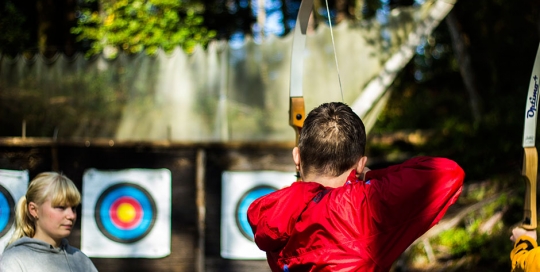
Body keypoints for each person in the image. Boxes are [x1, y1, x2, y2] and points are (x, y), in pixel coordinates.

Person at [247, 102, 465, 271]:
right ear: (360, 164)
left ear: (297, 157)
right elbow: (447, 173)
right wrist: (372, 176)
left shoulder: (272, 212)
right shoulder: (362, 206)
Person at [0, 172, 98, 272]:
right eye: (61, 207)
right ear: (34, 210)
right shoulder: (14, 260)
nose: (71, 216)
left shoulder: (81, 260)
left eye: (73, 208)